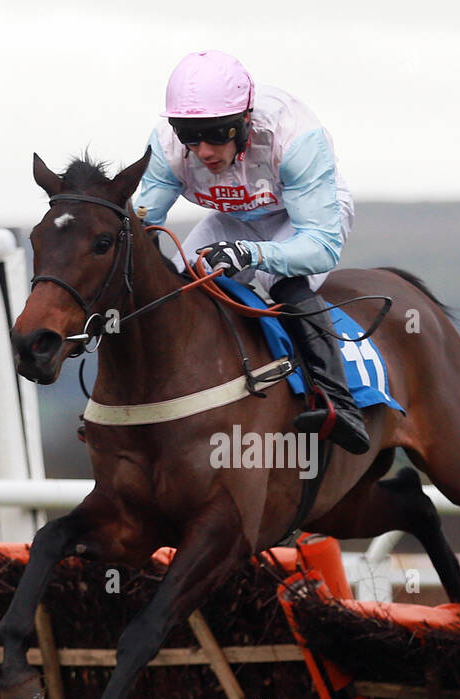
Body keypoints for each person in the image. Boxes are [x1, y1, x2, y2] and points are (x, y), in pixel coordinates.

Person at [133, 50, 370, 455]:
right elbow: (140, 228)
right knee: (176, 291)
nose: (204, 151)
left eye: (217, 134)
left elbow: (321, 247)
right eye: (191, 136)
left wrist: (254, 255)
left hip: (303, 221)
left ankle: (340, 405)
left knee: (286, 285)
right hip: (235, 218)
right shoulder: (168, 146)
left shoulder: (294, 136)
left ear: (244, 121)